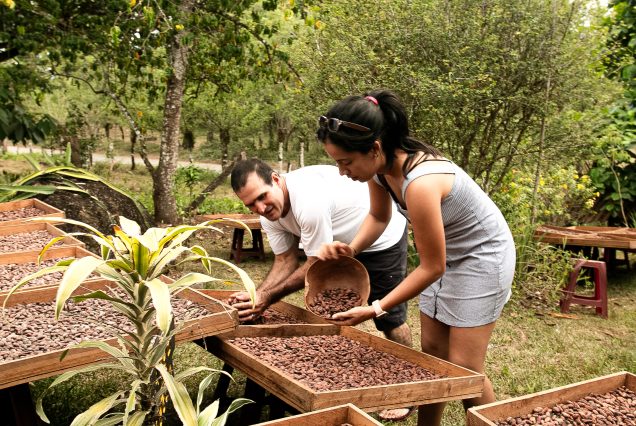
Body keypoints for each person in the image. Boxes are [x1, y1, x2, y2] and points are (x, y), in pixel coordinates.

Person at [316, 90, 516, 426]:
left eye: (345, 162)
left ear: (374, 148)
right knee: (433, 358)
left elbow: (431, 267)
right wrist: (351, 249)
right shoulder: (381, 170)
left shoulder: (420, 183)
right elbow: (379, 218)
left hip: (484, 257)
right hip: (449, 254)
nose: (341, 171)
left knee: (465, 369)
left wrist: (376, 307)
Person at [227, 158, 412, 348]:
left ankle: (410, 365)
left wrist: (267, 298)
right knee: (331, 312)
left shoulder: (308, 199)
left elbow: (315, 264)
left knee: (390, 318)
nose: (261, 208)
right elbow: (285, 260)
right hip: (339, 249)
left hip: (381, 239)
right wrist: (257, 295)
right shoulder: (268, 215)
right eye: (250, 204)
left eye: (262, 196)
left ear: (275, 179)